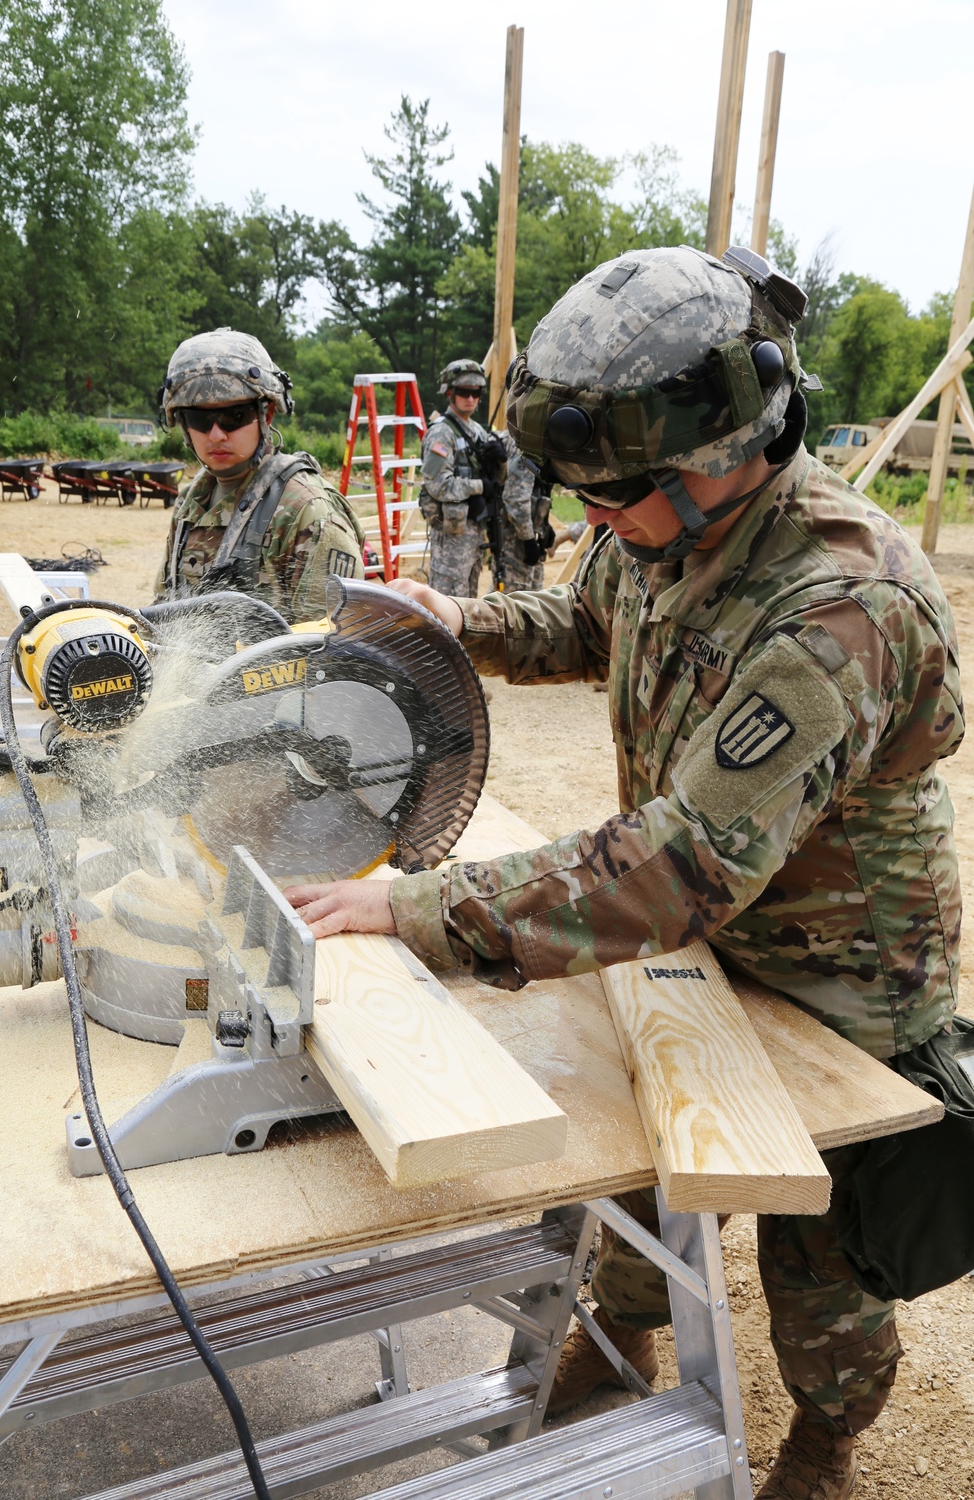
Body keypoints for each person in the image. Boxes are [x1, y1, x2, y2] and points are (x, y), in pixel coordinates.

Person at [283, 246, 964, 1500]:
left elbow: (677, 865)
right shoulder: (659, 528)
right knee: (651, 1171)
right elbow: (589, 622)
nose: (594, 518)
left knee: (823, 1261)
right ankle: (621, 1342)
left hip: (844, 982)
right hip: (702, 947)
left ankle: (823, 1448)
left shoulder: (841, 605)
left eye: (615, 496)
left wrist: (412, 908)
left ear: (723, 456)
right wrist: (452, 625)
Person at [154, 327, 365, 622]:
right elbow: (163, 611)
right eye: (199, 418)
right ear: (182, 423)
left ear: (265, 415)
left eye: (233, 416)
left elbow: (330, 649)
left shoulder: (308, 513)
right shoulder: (192, 501)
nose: (216, 434)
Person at [418, 359, 504, 597]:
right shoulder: (441, 433)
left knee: (469, 604)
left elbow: (497, 482)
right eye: (464, 392)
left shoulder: (477, 431)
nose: (471, 398)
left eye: (476, 393)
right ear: (449, 393)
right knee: (446, 602)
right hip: (452, 537)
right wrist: (479, 486)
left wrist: (500, 462)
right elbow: (438, 485)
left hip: (475, 531)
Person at [489, 433, 555, 591]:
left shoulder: (537, 439)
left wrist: (544, 525)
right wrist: (528, 539)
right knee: (512, 603)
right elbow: (515, 498)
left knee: (531, 601)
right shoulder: (526, 441)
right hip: (516, 539)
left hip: (530, 533)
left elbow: (537, 490)